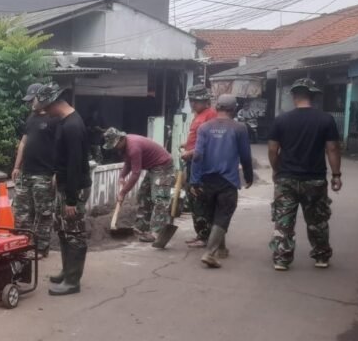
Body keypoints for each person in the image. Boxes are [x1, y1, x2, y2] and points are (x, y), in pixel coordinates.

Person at [268, 78, 342, 271]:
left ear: (294, 96)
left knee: (283, 220)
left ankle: (281, 259)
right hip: (315, 179)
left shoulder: (281, 120)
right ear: (313, 97)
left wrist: (277, 170)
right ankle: (321, 257)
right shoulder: (325, 119)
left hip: (286, 179)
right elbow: (332, 148)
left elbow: (272, 150)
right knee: (317, 221)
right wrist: (336, 175)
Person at [30, 85, 91, 296]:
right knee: (64, 230)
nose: (47, 112)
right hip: (65, 185)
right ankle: (67, 271)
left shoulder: (72, 126)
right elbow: (65, 158)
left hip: (74, 188)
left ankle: (73, 281)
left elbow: (75, 164)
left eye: (48, 107)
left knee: (74, 233)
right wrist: (58, 175)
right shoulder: (65, 121)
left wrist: (72, 200)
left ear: (56, 103)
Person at [190, 94, 254, 268]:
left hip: (206, 179)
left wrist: (194, 181)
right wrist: (249, 176)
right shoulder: (240, 128)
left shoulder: (204, 127)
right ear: (233, 109)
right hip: (227, 180)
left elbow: (197, 156)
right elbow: (245, 156)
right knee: (223, 214)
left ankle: (222, 249)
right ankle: (209, 253)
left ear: (216, 107)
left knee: (213, 215)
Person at [105, 129, 176, 247]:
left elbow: (135, 174)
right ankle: (142, 226)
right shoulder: (125, 146)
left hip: (163, 166)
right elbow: (128, 163)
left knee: (159, 199)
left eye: (115, 144)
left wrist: (123, 192)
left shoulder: (133, 147)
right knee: (143, 195)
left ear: (121, 139)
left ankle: (156, 232)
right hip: (152, 167)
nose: (115, 147)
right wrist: (122, 176)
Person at [12, 83, 59, 258]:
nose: (30, 103)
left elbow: (60, 146)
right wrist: (17, 166)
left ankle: (41, 249)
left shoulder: (54, 119)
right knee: (22, 212)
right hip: (26, 173)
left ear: (42, 98)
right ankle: (22, 246)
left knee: (43, 213)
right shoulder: (31, 117)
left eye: (33, 100)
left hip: (44, 174)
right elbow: (23, 142)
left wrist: (57, 172)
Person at [181, 84, 218, 248]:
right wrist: (186, 145)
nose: (193, 104)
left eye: (196, 101)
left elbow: (211, 143)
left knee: (199, 198)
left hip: (202, 165)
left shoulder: (211, 115)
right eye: (192, 101)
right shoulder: (199, 115)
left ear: (205, 100)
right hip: (193, 162)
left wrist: (191, 152)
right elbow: (197, 138)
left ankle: (205, 235)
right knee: (193, 198)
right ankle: (201, 233)